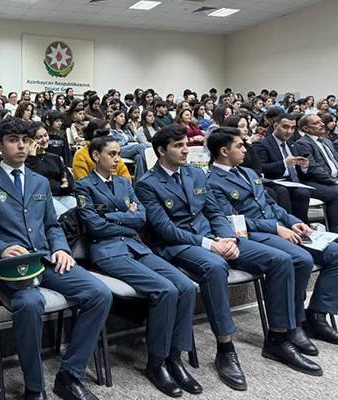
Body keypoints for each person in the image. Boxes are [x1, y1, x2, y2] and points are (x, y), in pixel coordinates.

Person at [134, 124, 321, 391]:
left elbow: (215, 213)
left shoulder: (196, 174)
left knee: (281, 260)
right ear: (161, 151)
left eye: (186, 144)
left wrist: (228, 238)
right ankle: (225, 348)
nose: (186, 149)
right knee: (215, 266)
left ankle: (278, 338)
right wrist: (212, 243)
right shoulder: (147, 184)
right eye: (178, 145)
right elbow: (165, 230)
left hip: (217, 238)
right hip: (179, 245)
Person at [0, 117, 111, 400]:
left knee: (99, 293)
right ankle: (35, 387)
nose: (21, 145)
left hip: (46, 259)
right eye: (13, 140)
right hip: (11, 268)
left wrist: (61, 249)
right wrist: (1, 248)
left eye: (25, 140)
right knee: (31, 303)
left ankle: (69, 376)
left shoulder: (39, 182)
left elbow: (51, 225)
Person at [74, 134, 200, 397]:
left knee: (186, 286)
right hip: (108, 252)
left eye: (119, 154)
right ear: (96, 156)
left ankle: (174, 358)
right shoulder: (84, 186)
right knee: (166, 290)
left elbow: (141, 217)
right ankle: (156, 362)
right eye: (112, 154)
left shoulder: (124, 182)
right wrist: (124, 216)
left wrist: (110, 216)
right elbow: (93, 225)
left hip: (137, 246)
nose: (117, 159)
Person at [207, 127, 338, 352]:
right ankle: (293, 324)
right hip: (255, 234)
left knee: (335, 253)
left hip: (277, 227)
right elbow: (231, 221)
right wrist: (276, 228)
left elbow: (270, 205)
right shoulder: (212, 181)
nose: (245, 149)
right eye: (239, 145)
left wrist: (293, 221)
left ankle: (316, 314)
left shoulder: (247, 173)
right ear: (223, 151)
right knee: (301, 259)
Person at [254, 113, 311, 222]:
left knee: (303, 193)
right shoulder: (262, 144)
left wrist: (304, 166)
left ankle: (303, 225)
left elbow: (298, 169)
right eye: (285, 127)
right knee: (282, 192)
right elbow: (261, 167)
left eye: (292, 128)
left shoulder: (292, 144)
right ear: (275, 126)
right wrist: (284, 163)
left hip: (293, 181)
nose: (289, 131)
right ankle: (288, 224)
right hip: (275, 181)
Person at [295, 114, 338, 232]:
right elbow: (313, 169)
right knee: (336, 193)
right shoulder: (302, 143)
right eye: (316, 123)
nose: (322, 124)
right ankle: (335, 233)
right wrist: (334, 181)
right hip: (315, 182)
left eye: (321, 121)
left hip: (332, 178)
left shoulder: (327, 141)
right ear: (306, 129)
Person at [25, 122, 76, 217]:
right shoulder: (27, 161)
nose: (44, 140)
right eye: (39, 137)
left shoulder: (55, 158)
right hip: (42, 198)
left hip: (62, 195)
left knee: (79, 209)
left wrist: (56, 187)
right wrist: (32, 158)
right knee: (64, 216)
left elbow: (69, 182)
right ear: (30, 140)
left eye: (46, 135)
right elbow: (35, 185)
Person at [110, 111, 149, 181]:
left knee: (139, 157)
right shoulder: (112, 131)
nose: (123, 118)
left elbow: (133, 139)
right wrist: (126, 139)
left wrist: (129, 136)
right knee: (141, 146)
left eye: (124, 117)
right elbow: (116, 144)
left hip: (129, 149)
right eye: (121, 116)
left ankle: (140, 183)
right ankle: (151, 173)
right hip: (118, 151)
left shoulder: (125, 130)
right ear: (115, 118)